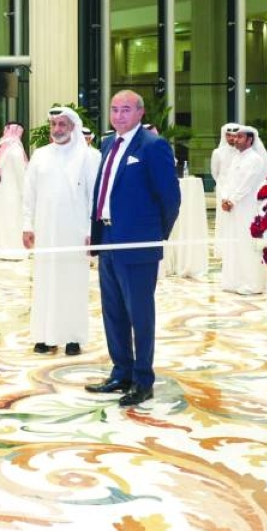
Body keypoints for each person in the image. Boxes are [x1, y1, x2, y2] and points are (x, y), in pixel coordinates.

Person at [87, 90, 181, 408]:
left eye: (126, 109)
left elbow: (170, 198)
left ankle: (143, 379)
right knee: (113, 312)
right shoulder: (106, 144)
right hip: (108, 239)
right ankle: (121, 372)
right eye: (114, 109)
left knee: (139, 313)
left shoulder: (153, 147)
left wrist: (154, 236)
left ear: (140, 113)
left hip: (138, 244)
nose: (119, 115)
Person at [23, 107, 99, 356]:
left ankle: (72, 337)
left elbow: (93, 197)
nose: (57, 129)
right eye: (54, 124)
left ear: (73, 127)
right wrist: (27, 225)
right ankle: (45, 336)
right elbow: (29, 194)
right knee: (45, 282)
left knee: (73, 283)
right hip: (45, 231)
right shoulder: (40, 155)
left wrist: (91, 230)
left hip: (75, 232)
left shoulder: (88, 156)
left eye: (62, 124)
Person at [218, 125, 267, 295]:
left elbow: (247, 184)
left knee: (247, 244)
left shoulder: (255, 159)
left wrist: (232, 200)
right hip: (231, 207)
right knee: (232, 242)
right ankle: (234, 281)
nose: (236, 140)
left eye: (240, 137)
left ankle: (252, 283)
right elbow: (226, 180)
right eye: (235, 136)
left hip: (246, 207)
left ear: (250, 140)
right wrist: (225, 197)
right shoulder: (236, 158)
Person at [0, 122, 28, 261]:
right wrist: (25, 193)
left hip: (2, 191)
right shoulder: (16, 149)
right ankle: (14, 250)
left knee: (2, 220)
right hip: (14, 192)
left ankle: (1, 249)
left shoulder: (2, 148)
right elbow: (21, 174)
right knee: (13, 220)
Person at [209, 123, 240, 258]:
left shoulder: (243, 152)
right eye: (228, 135)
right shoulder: (218, 152)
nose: (231, 138)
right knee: (223, 220)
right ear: (224, 136)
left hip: (239, 191)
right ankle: (223, 251)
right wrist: (223, 190)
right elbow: (215, 174)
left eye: (234, 135)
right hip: (223, 191)